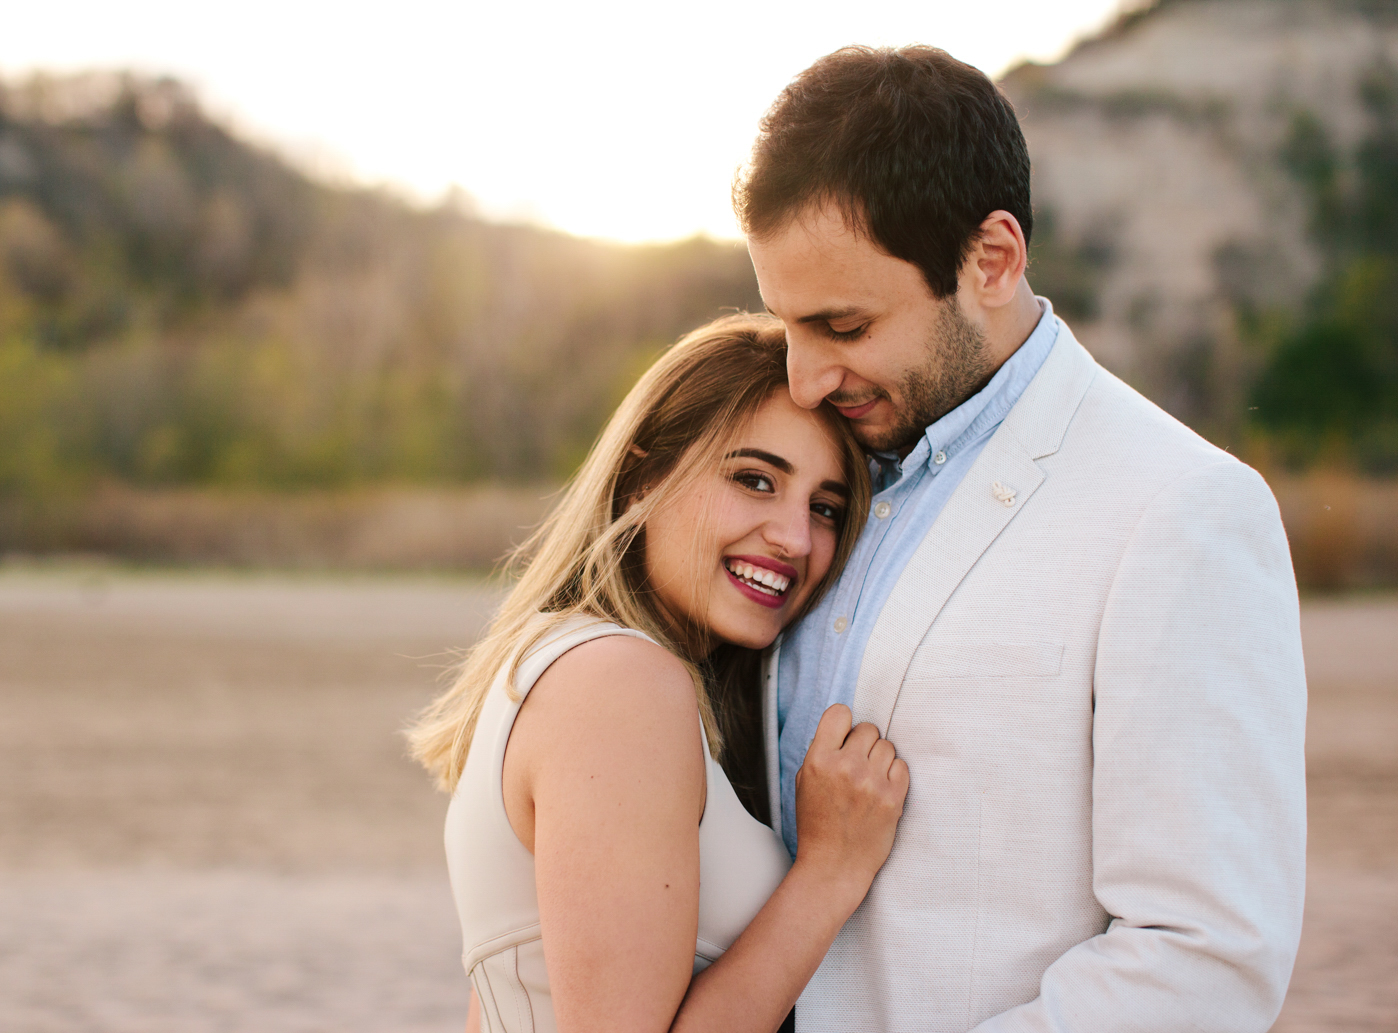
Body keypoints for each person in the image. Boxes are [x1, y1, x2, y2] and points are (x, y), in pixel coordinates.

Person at [735, 45, 1307, 1031]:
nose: (803, 378)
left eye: (843, 324)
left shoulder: (1181, 510)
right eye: (787, 324)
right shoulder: (805, 488)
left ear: (991, 260)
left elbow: (1204, 963)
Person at [408, 314, 911, 1033]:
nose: (795, 537)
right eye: (756, 479)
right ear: (645, 476)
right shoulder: (619, 681)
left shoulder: (571, 664)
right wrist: (830, 873)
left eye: (825, 508)